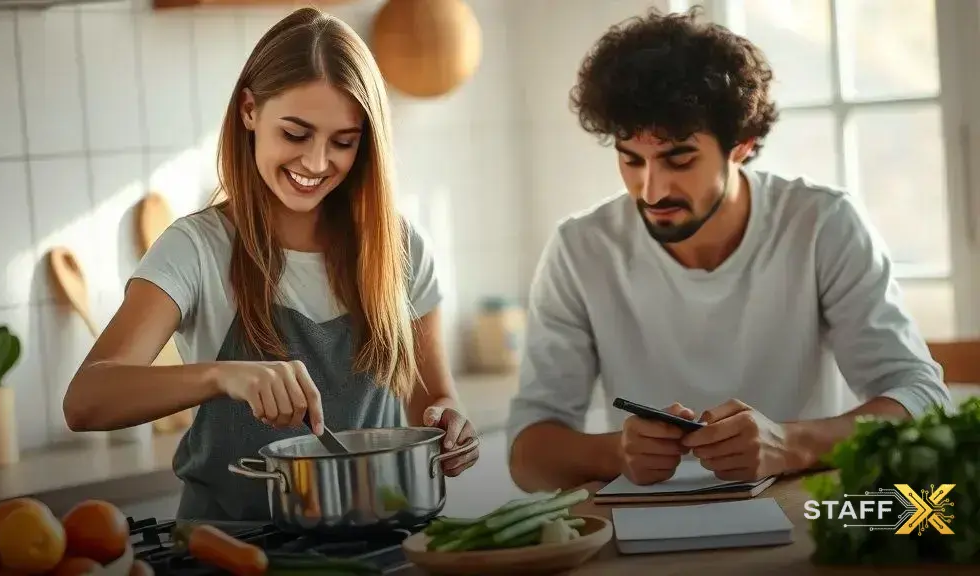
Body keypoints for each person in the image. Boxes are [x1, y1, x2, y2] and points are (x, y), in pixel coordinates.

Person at [506, 8, 953, 493]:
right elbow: (528, 457)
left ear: (741, 144)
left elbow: (923, 397)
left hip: (803, 515)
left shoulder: (822, 224)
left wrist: (790, 443)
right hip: (649, 529)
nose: (651, 191)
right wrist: (615, 451)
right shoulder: (580, 249)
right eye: (631, 159)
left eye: (679, 158)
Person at [62, 7, 479, 521]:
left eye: (343, 142)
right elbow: (86, 399)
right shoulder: (197, 248)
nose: (317, 163)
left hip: (380, 543)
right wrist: (221, 377)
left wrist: (451, 425)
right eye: (296, 134)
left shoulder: (398, 247)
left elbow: (432, 400)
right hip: (233, 550)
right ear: (249, 111)